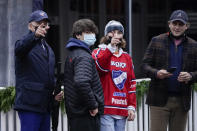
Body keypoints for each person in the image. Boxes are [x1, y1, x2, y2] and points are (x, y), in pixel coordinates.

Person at [141, 10, 197, 131]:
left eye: (180, 24)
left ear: (187, 26)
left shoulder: (194, 45)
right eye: (174, 23)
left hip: (182, 101)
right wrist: (156, 73)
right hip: (158, 99)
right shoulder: (157, 40)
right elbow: (144, 66)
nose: (177, 27)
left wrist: (191, 76)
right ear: (169, 24)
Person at [14, 10, 63, 131]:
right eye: (40, 24)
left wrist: (54, 96)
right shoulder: (24, 43)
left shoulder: (48, 49)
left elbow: (47, 76)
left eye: (46, 24)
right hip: (29, 104)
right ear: (30, 25)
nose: (44, 27)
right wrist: (34, 35)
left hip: (45, 105)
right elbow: (19, 49)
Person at [92, 20, 136, 131]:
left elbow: (131, 83)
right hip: (106, 108)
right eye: (112, 32)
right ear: (107, 35)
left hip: (122, 109)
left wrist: (131, 106)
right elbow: (101, 68)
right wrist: (110, 48)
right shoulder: (97, 52)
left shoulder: (127, 57)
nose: (116, 35)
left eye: (119, 32)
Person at [64, 19, 104, 131]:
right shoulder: (83, 56)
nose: (92, 35)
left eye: (92, 32)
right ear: (78, 35)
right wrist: (93, 105)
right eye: (87, 32)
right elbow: (82, 82)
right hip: (85, 113)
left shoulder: (74, 53)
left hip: (77, 112)